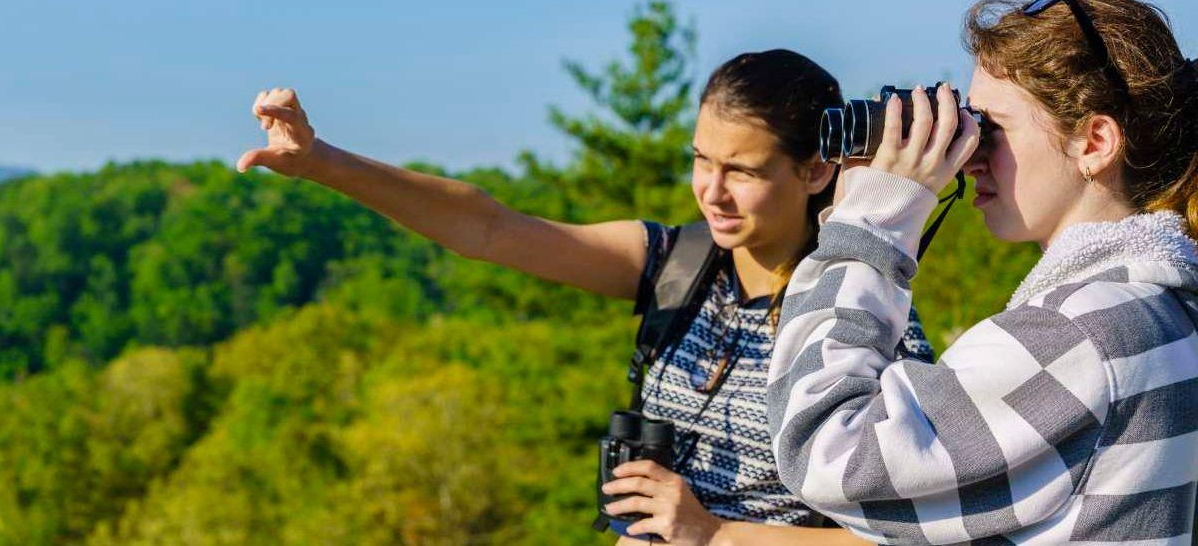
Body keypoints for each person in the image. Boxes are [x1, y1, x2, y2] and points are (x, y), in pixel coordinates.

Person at [239, 49, 931, 546]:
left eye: (742, 172)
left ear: (815, 171)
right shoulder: (679, 265)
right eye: (701, 160)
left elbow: (917, 533)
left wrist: (716, 535)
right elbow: (489, 227)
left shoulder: (866, 317)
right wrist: (322, 163)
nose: (712, 193)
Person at [768, 0, 1198, 544]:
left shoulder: (1077, 336)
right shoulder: (1162, 308)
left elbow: (822, 452)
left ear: (1094, 142)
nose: (969, 158)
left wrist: (869, 226)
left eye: (990, 130)